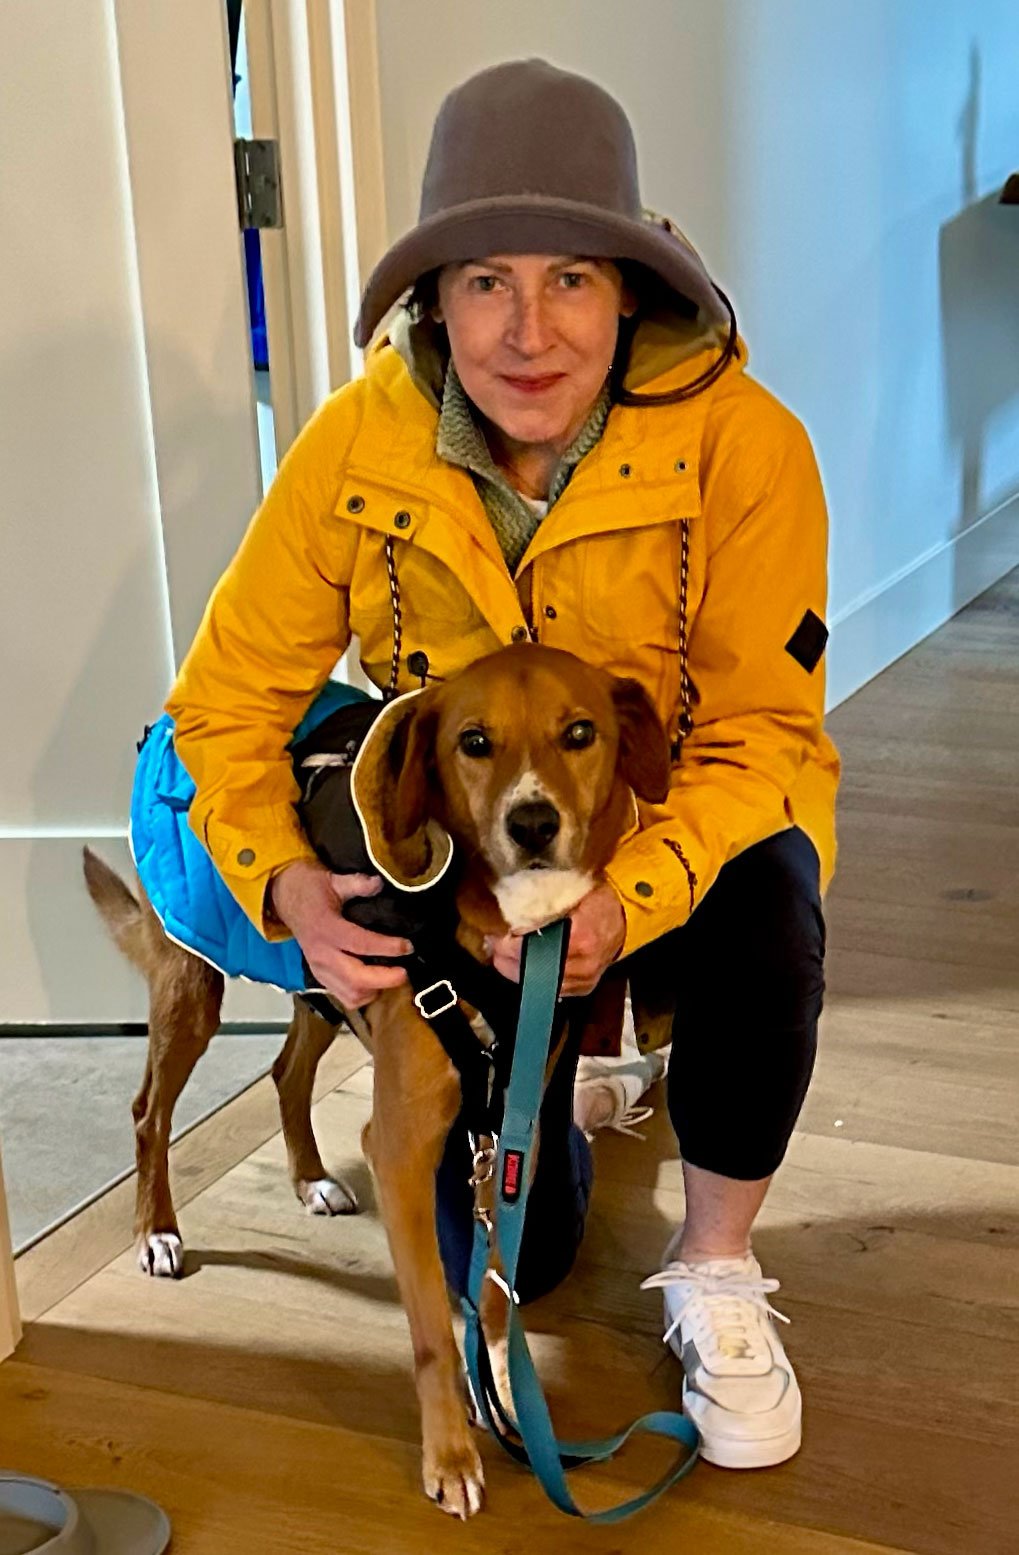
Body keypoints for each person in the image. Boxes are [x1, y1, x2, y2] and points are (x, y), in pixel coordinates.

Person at [166, 59, 839, 1469]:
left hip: (672, 845)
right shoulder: (353, 446)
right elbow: (223, 705)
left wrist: (630, 896)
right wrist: (281, 880)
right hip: (460, 882)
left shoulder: (748, 445)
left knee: (774, 900)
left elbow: (759, 738)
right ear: (432, 302)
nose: (528, 331)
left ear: (631, 294)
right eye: (484, 283)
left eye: (571, 281)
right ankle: (552, 1114)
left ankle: (715, 1263)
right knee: (522, 1271)